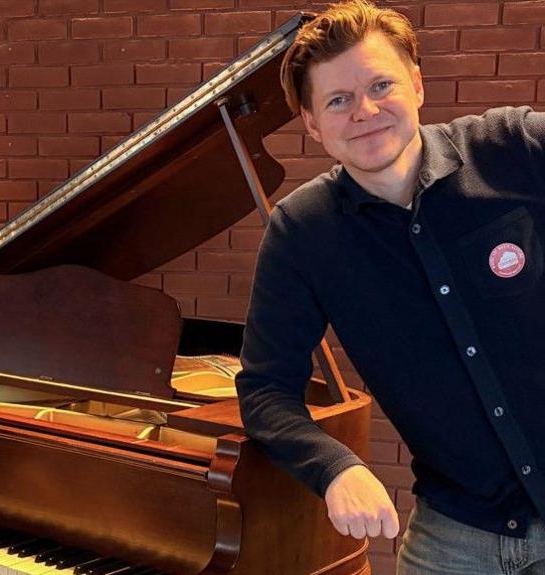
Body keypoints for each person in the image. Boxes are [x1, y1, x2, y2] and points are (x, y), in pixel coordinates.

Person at [235, 1, 545, 573]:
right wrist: (335, 467)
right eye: (338, 100)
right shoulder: (303, 231)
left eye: (382, 84)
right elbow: (264, 390)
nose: (366, 111)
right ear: (310, 122)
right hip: (456, 529)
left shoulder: (517, 147)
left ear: (418, 84)